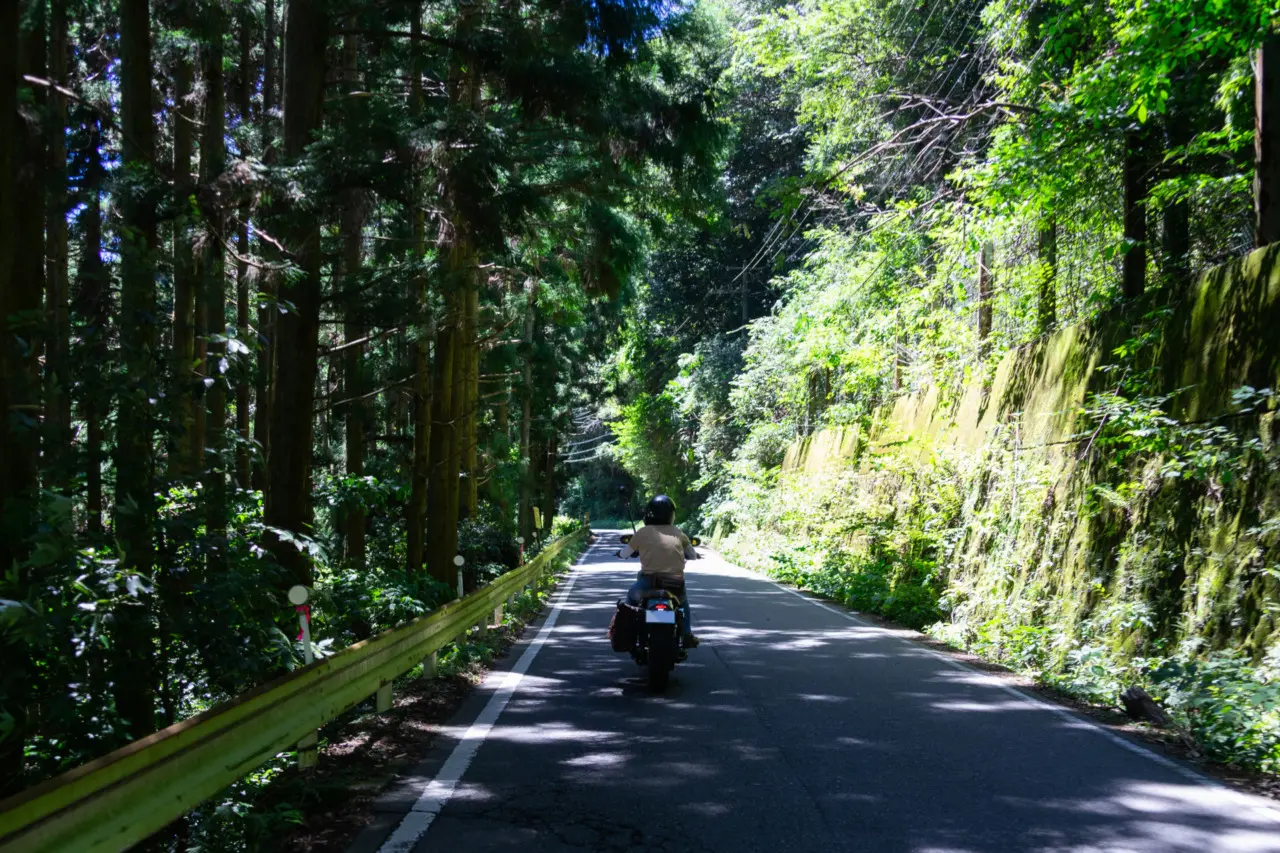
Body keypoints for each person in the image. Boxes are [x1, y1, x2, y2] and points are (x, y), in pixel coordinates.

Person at [618, 494, 700, 648]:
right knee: (683, 603)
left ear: (649, 514)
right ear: (671, 515)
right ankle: (687, 634)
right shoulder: (678, 533)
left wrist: (621, 554)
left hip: (648, 583)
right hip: (675, 584)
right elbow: (693, 555)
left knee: (630, 599)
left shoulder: (642, 532)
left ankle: (626, 634)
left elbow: (624, 554)